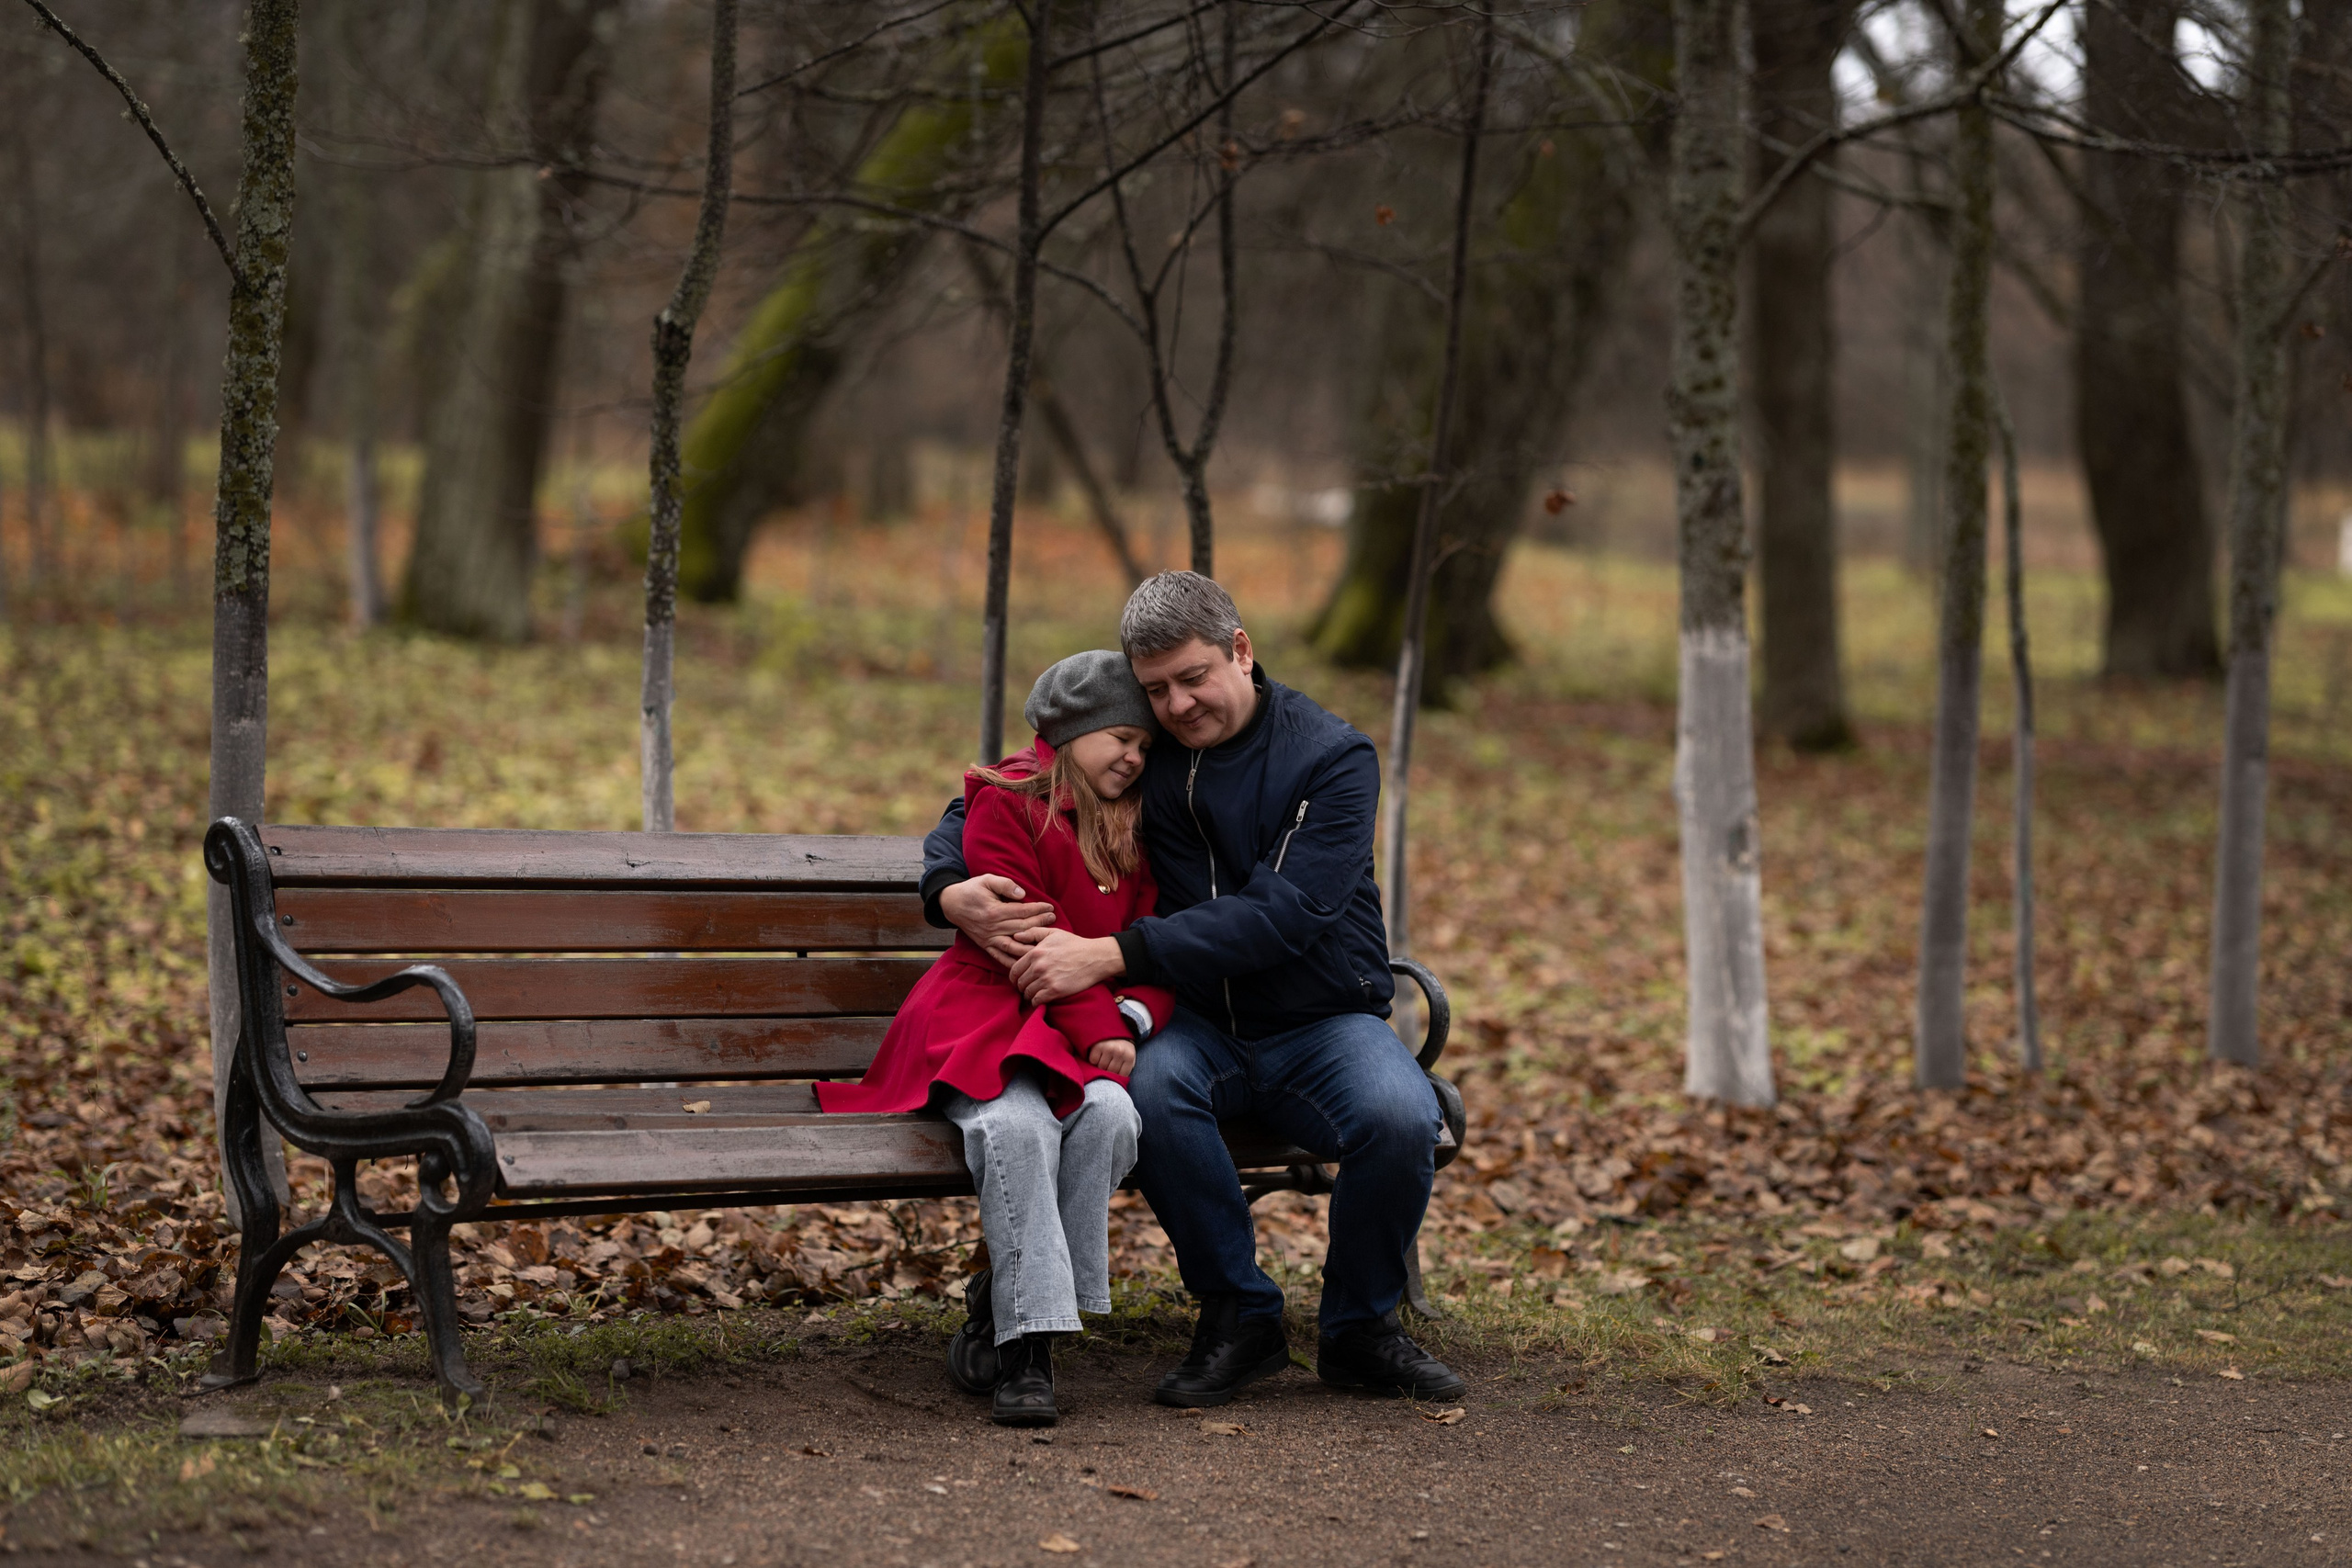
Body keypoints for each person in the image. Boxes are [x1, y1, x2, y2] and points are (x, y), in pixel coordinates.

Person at [921, 572, 1465, 1408]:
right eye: (1156, 690)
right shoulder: (1152, 745)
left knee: (1401, 1114)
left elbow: (1287, 913)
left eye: (1193, 677)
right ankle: (1238, 1315)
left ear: (1241, 651)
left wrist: (1112, 953)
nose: (1176, 705)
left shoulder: (1332, 758)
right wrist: (948, 884)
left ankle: (1361, 1329)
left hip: (1319, 1018)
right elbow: (1017, 783)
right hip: (1191, 1019)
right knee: (1148, 1092)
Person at [820, 651, 1173, 1427]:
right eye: (1120, 738)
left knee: (1113, 1117)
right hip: (982, 1017)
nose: (1134, 756)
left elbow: (1159, 940)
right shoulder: (1008, 804)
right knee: (1015, 1126)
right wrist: (1105, 1030)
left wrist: (1136, 1016)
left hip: (1077, 1024)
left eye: (1145, 746)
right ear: (1070, 733)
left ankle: (1004, 1300)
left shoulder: (1136, 821)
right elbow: (1031, 950)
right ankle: (1029, 1350)